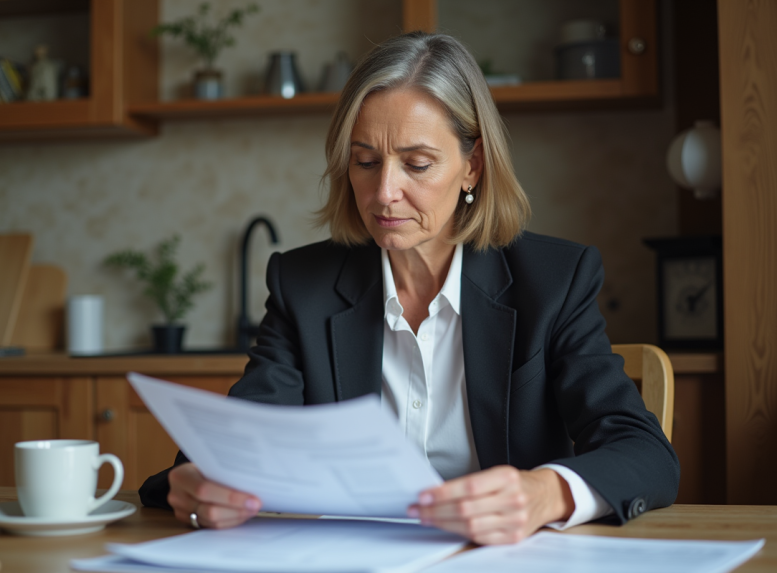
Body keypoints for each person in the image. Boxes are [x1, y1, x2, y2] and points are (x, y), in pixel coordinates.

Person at [139, 31, 679, 545]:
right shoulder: (303, 285)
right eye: (365, 162)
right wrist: (192, 483)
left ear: (473, 166)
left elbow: (645, 453)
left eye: (417, 164)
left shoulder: (554, 280)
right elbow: (235, 442)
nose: (384, 192)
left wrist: (544, 493)